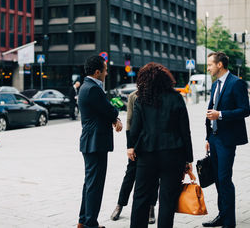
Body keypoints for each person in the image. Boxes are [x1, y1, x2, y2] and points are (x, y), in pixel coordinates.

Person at [128, 62, 193, 228]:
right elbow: (185, 130)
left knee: (140, 197)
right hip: (173, 154)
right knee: (168, 199)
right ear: (166, 79)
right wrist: (188, 159)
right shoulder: (176, 97)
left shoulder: (142, 98)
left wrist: (130, 147)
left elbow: (135, 127)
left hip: (147, 154)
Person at [202, 52, 250, 228]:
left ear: (220, 65)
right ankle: (222, 215)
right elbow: (210, 112)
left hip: (227, 140)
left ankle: (229, 223)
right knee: (217, 178)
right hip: (214, 140)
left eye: (210, 65)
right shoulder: (215, 85)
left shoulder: (236, 83)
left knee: (224, 179)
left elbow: (245, 110)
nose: (208, 68)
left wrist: (220, 115)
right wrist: (208, 137)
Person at [77, 55, 123, 228]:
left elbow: (102, 111)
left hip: (91, 141)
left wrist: (112, 118)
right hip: (95, 142)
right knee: (95, 185)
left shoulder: (85, 87)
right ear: (97, 72)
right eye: (105, 69)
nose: (107, 72)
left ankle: (83, 221)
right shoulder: (93, 89)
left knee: (90, 184)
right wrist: (115, 118)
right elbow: (108, 109)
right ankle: (90, 224)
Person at [110, 90, 158, 224]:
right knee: (130, 174)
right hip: (137, 142)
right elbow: (129, 121)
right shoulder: (133, 96)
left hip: (153, 142)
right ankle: (120, 205)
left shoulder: (159, 94)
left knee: (154, 177)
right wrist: (129, 146)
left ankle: (151, 207)